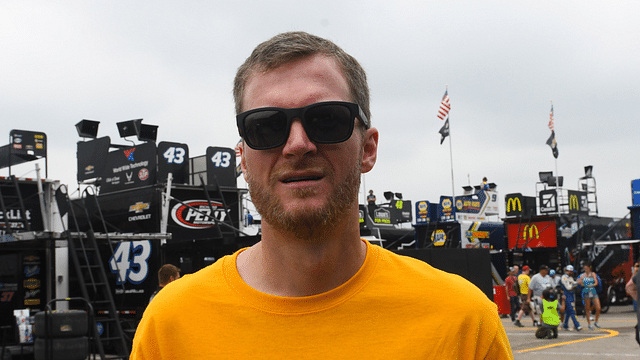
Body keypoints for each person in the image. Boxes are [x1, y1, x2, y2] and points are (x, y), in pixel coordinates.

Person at [130, 31, 512, 359]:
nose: (298, 144)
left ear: (368, 148)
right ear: (242, 158)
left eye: (326, 119)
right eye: (265, 126)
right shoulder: (170, 328)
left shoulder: (464, 324)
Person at [578, 262, 601, 330]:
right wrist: (582, 283)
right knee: (587, 308)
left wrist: (592, 285)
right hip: (586, 291)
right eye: (584, 269)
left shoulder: (593, 274)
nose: (585, 270)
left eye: (587, 268)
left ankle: (596, 321)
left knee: (598, 307)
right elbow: (580, 283)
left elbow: (596, 282)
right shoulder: (582, 275)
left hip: (593, 291)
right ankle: (589, 324)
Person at [560, 265, 582, 331]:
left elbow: (573, 283)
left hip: (571, 295)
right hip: (567, 296)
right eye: (571, 271)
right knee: (572, 311)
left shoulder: (570, 277)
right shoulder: (564, 278)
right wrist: (577, 283)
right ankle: (577, 325)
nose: (572, 273)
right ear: (568, 271)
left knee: (569, 311)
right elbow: (568, 287)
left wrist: (579, 282)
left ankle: (565, 325)